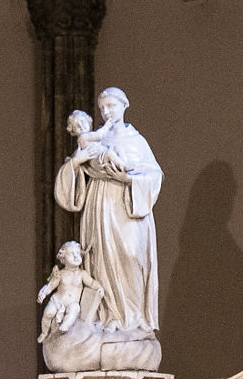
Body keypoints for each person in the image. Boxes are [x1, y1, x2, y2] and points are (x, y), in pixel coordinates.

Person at [54, 89, 163, 341]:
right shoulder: (92, 139)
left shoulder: (137, 141)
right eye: (102, 108)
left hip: (128, 206)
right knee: (102, 260)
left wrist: (127, 179)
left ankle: (133, 319)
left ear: (124, 105)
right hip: (100, 206)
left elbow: (154, 176)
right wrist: (75, 163)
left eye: (111, 106)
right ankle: (110, 317)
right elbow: (69, 182)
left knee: (131, 255)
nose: (106, 112)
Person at [38, 241, 101, 341]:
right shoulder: (61, 274)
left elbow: (92, 283)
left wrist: (99, 288)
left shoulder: (82, 274)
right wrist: (44, 293)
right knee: (47, 314)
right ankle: (44, 332)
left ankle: (65, 326)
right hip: (57, 301)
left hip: (72, 303)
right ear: (63, 258)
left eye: (78, 253)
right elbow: (50, 286)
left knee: (74, 310)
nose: (76, 256)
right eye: (72, 254)